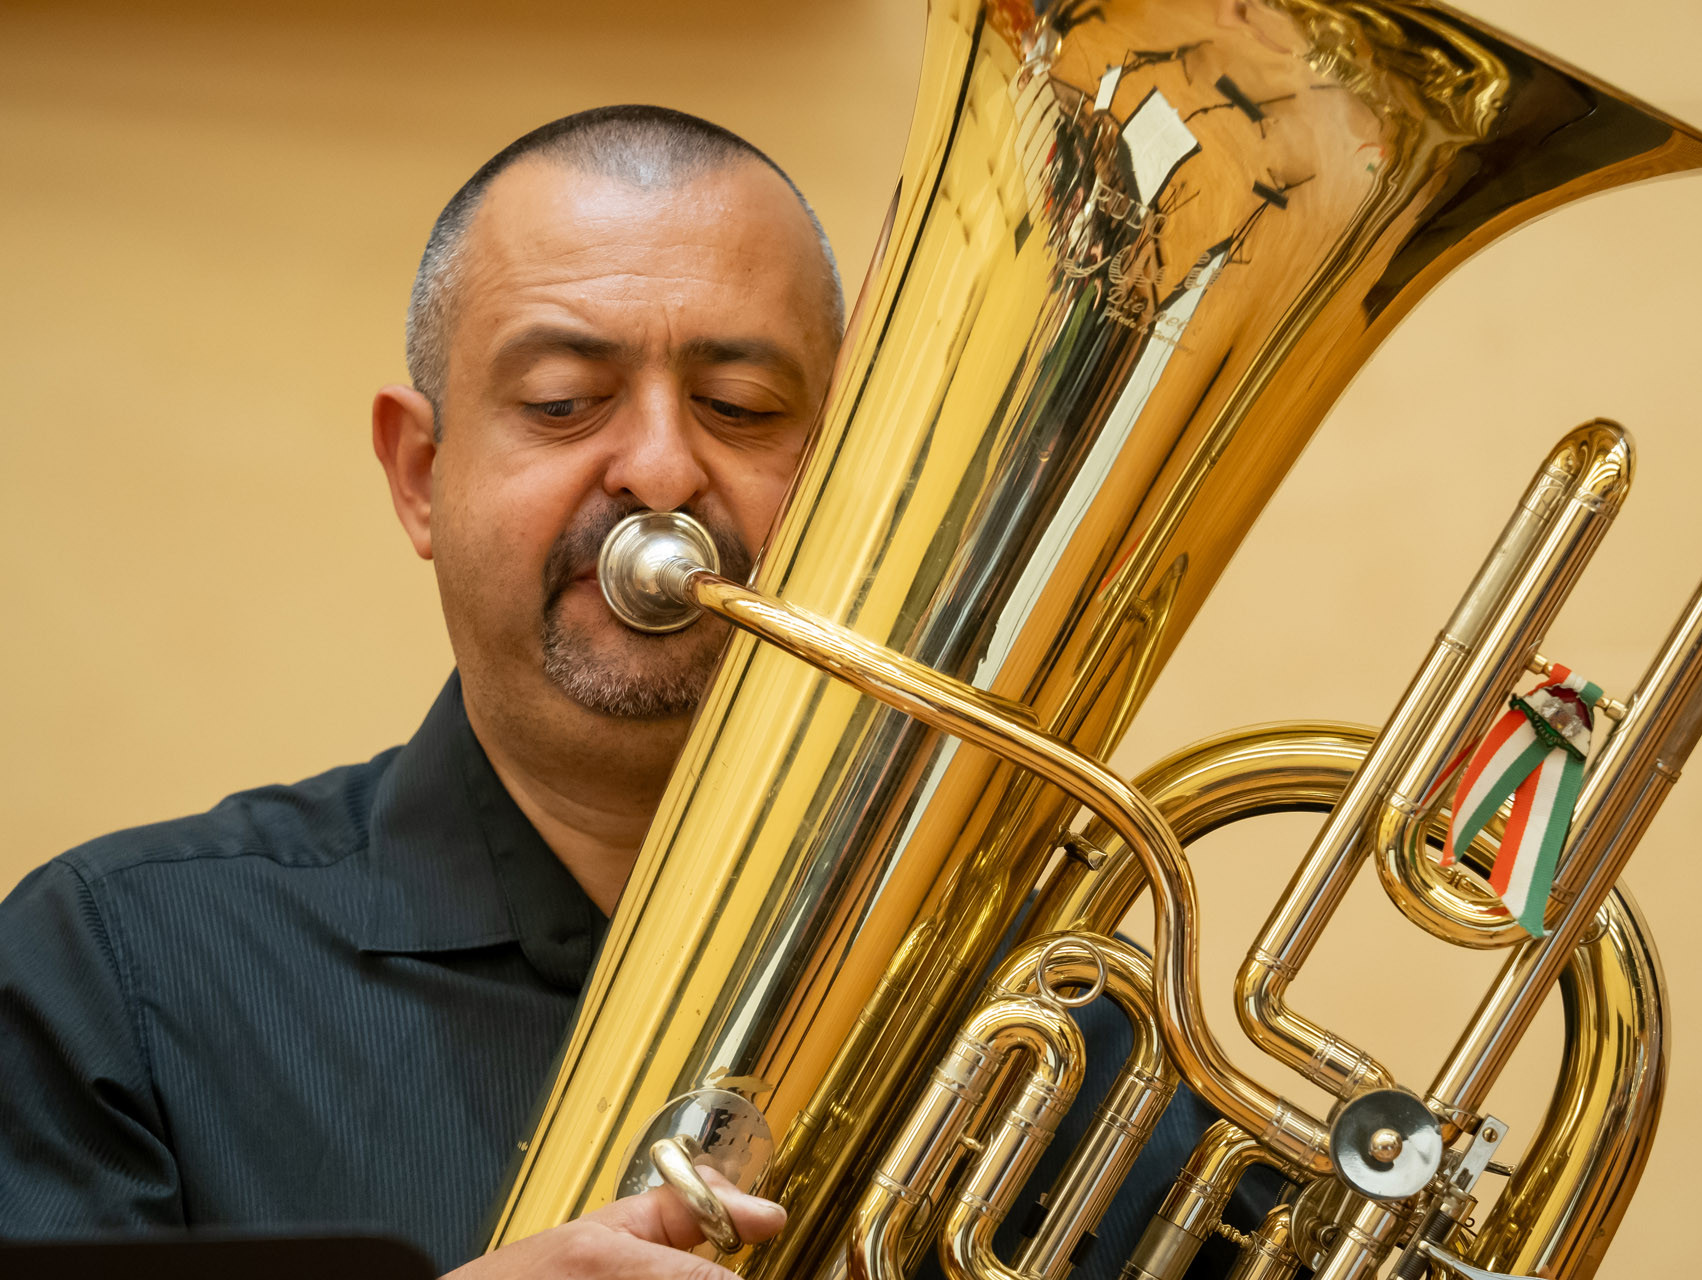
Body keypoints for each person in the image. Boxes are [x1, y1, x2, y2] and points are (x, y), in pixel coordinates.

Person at [0, 106, 1276, 1279]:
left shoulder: (1062, 1037)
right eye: (563, 402)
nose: (662, 470)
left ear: (844, 478)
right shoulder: (114, 972)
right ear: (420, 474)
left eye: (740, 406)